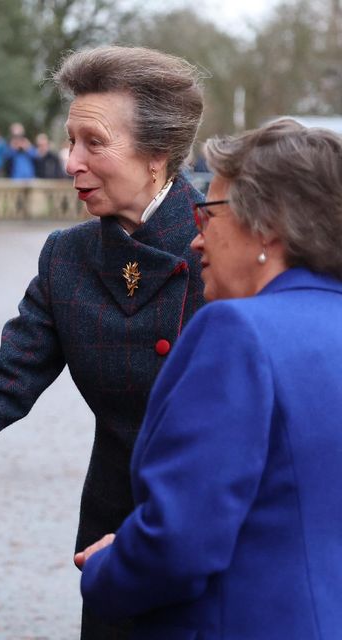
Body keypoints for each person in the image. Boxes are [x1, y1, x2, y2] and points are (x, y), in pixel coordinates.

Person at [0, 45, 206, 639]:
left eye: (93, 143)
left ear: (157, 155)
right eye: (70, 141)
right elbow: (3, 386)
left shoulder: (225, 246)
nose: (70, 162)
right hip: (112, 533)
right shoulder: (66, 257)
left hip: (213, 532)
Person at [76, 119, 342, 638]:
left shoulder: (237, 333)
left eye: (209, 212)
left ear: (269, 225)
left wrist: (106, 569)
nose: (197, 238)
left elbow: (179, 542)